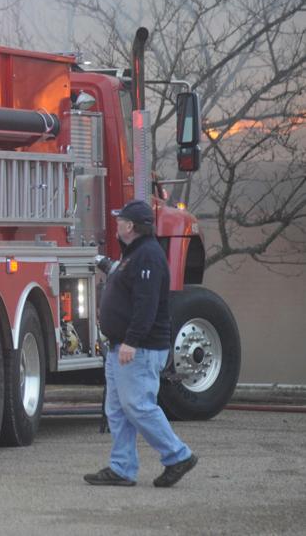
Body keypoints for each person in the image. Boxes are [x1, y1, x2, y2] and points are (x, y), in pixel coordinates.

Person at [85, 199, 198, 487]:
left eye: (120, 220)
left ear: (131, 226)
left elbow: (145, 305)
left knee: (138, 406)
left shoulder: (147, 256)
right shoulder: (134, 254)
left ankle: (177, 455)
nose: (116, 224)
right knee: (118, 410)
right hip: (121, 347)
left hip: (139, 349)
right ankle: (121, 468)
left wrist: (131, 341)